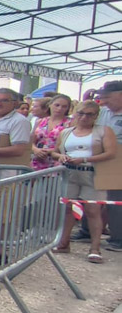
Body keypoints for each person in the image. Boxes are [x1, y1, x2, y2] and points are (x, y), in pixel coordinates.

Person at [52, 100, 117, 263]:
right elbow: (54, 151)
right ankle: (63, 242)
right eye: (81, 113)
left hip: (92, 173)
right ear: (75, 113)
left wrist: (85, 159)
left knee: (93, 210)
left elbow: (111, 153)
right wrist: (61, 156)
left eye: (90, 114)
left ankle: (95, 248)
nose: (84, 117)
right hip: (70, 173)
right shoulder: (66, 132)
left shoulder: (104, 131)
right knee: (68, 209)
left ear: (96, 116)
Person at [94, 81, 122, 251]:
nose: (103, 101)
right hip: (99, 160)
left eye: (107, 97)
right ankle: (87, 231)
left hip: (118, 164)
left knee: (116, 201)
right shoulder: (103, 113)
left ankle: (118, 238)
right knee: (93, 196)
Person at [31, 94, 72, 171]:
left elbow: (69, 144)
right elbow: (32, 141)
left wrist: (50, 151)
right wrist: (35, 150)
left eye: (64, 106)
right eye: (57, 105)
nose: (59, 109)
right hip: (38, 160)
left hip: (56, 161)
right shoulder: (40, 121)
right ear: (50, 105)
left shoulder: (69, 123)